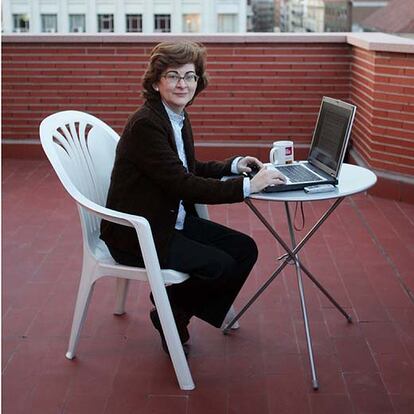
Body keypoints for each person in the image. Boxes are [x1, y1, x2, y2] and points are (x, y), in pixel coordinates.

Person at [100, 41, 285, 356]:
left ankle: (172, 308)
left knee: (245, 250)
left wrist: (232, 166)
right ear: (156, 81)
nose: (182, 84)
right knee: (220, 266)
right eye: (173, 76)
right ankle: (172, 311)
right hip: (139, 233)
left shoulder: (175, 116)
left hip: (169, 218)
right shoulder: (147, 124)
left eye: (190, 76)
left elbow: (187, 168)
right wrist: (249, 187)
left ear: (198, 82)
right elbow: (183, 183)